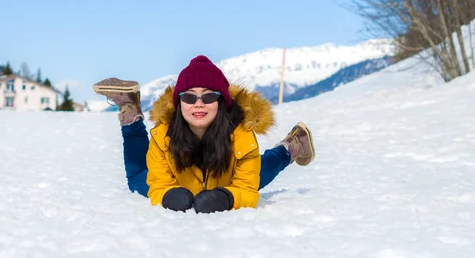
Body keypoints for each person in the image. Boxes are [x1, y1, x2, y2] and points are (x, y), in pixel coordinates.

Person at [93, 55, 315, 213]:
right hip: (181, 182)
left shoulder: (242, 134)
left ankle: (292, 145)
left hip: (224, 182)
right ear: (179, 102)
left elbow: (245, 188)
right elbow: (158, 185)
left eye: (208, 97)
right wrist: (168, 195)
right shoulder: (164, 136)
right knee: (137, 181)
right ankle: (130, 115)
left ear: (220, 101)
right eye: (189, 97)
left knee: (260, 171)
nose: (198, 104)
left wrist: (227, 198)